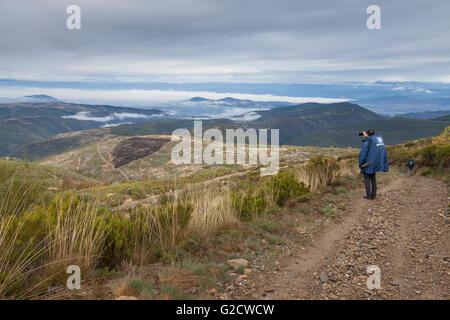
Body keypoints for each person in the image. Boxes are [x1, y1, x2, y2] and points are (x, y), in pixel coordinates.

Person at [358, 129, 389, 200]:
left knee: (367, 179)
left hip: (368, 163)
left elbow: (363, 153)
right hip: (376, 162)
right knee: (373, 178)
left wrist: (361, 164)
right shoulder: (378, 139)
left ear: (367, 134)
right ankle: (374, 195)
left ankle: (368, 195)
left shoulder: (368, 141)